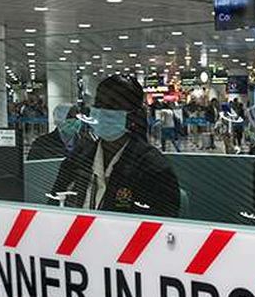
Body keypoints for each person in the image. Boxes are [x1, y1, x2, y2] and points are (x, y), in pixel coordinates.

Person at [52, 75, 179, 216]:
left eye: (112, 106)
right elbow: (52, 206)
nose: (102, 111)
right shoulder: (77, 159)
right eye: (98, 104)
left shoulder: (153, 167)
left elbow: (163, 224)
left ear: (133, 115)